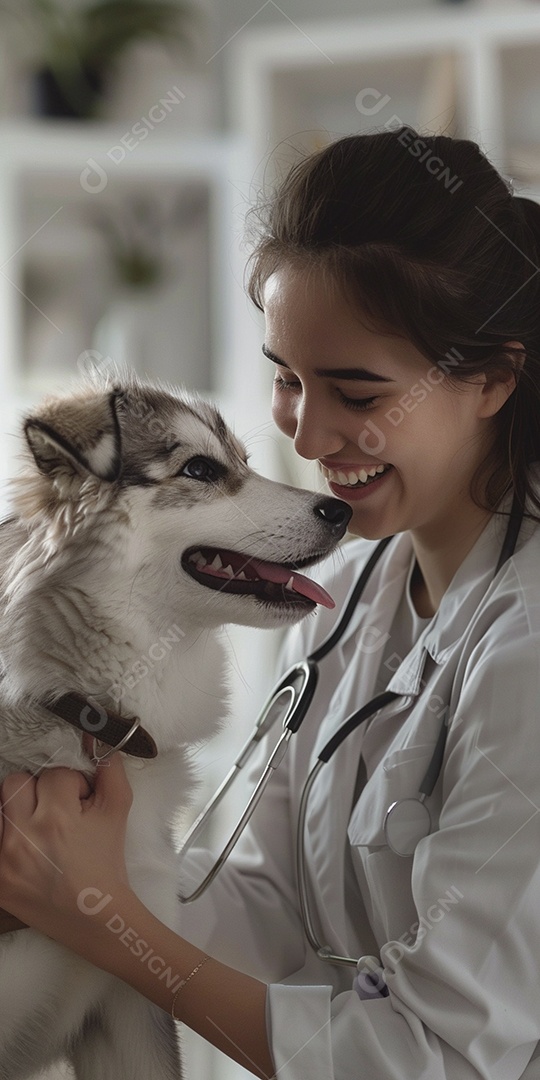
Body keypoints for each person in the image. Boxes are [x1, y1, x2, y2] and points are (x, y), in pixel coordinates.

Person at [1, 124, 540, 1079]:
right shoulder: (348, 598)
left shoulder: (525, 646)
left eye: (358, 395)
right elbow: (269, 911)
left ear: (494, 378)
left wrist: (104, 915)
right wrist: (80, 864)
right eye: (288, 379)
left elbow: (433, 1060)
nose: (309, 435)